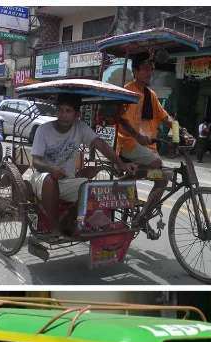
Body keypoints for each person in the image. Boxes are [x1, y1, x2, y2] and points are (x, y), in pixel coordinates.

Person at [27, 93, 136, 235]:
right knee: (50, 179)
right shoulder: (43, 130)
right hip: (42, 179)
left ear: (76, 114)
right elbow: (36, 161)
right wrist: (51, 169)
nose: (63, 114)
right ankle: (54, 227)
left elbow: (101, 145)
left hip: (67, 180)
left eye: (68, 111)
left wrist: (121, 164)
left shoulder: (80, 127)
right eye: (60, 110)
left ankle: (68, 219)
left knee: (90, 188)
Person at [116, 52, 183, 212]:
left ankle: (144, 215)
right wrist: (138, 136)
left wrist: (181, 131)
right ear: (135, 71)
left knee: (163, 177)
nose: (149, 73)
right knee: (157, 165)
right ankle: (125, 179)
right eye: (145, 69)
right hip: (128, 144)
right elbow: (121, 120)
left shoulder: (150, 95)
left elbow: (165, 117)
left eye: (151, 69)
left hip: (146, 148)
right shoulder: (128, 92)